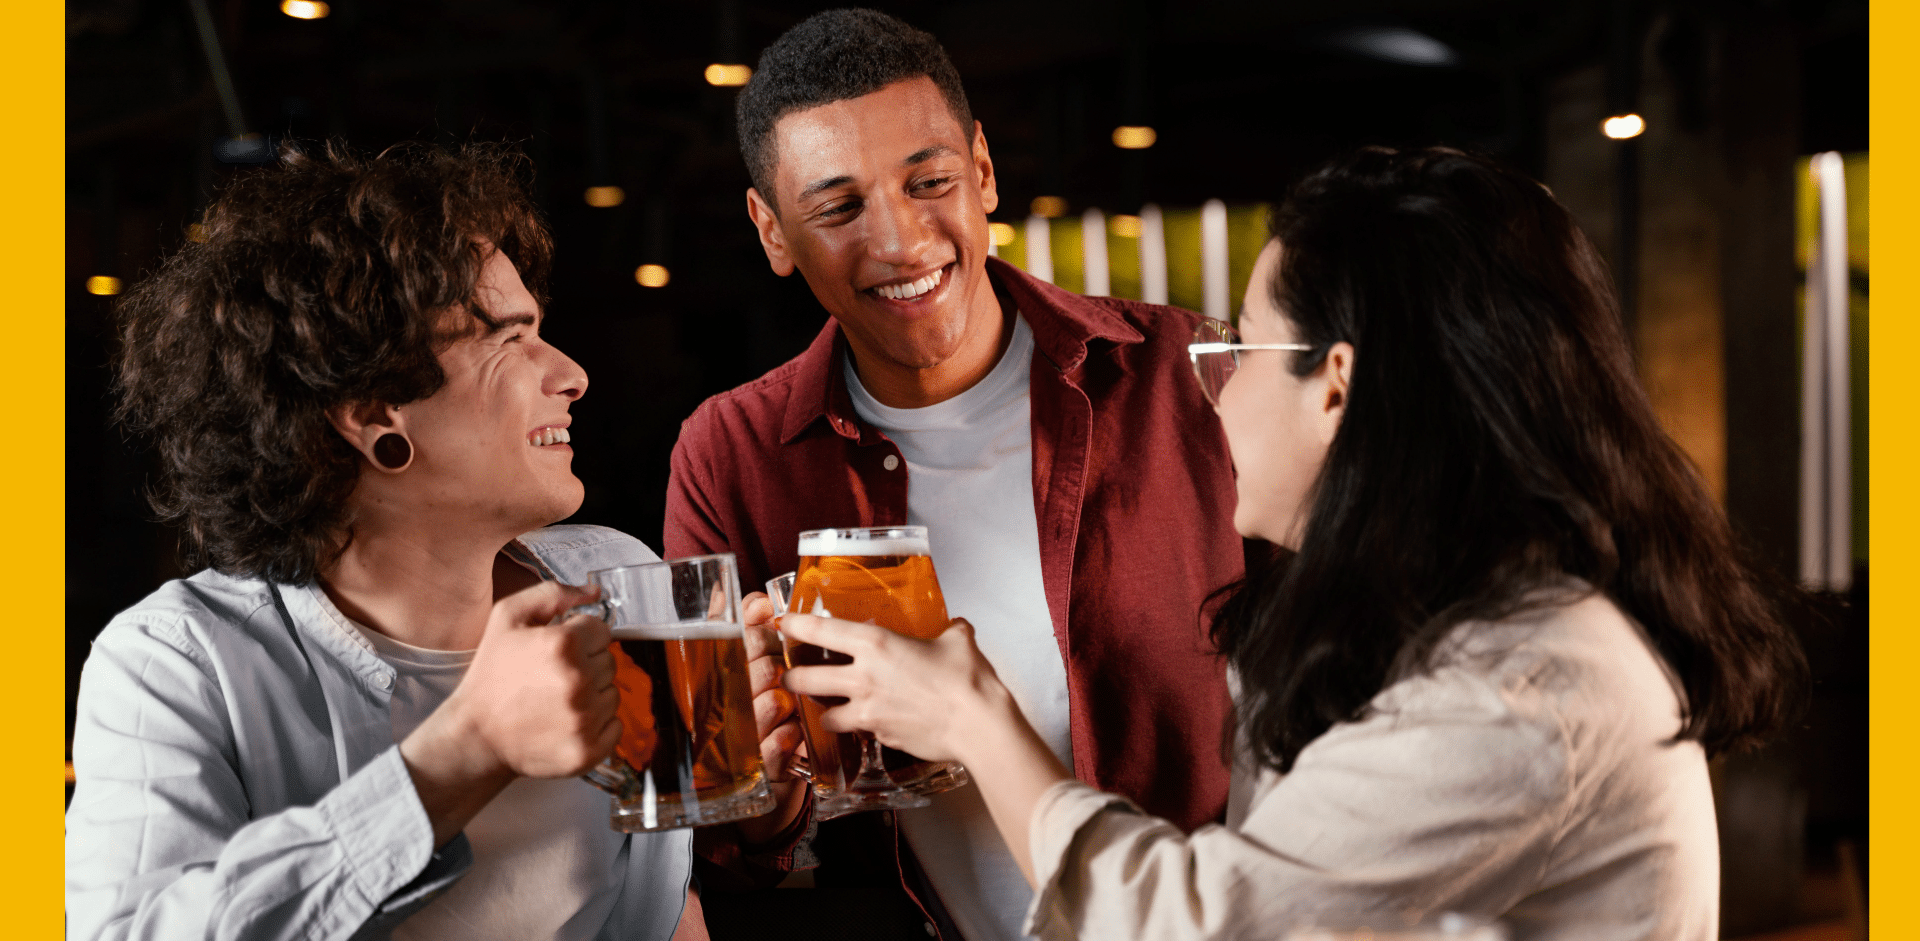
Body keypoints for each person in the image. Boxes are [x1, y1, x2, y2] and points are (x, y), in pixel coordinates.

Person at [776, 147, 1807, 940]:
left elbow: (1204, 920)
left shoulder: (1523, 682)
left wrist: (973, 715)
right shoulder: (1433, 621)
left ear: (1337, 384)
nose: (1211, 394)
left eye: (1236, 352)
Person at [663, 8, 1246, 940]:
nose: (898, 242)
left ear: (981, 170)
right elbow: (722, 837)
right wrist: (762, 798)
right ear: (772, 232)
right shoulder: (730, 455)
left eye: (929, 180)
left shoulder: (1186, 373)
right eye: (839, 207)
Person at [67, 143, 705, 941]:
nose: (571, 373)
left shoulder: (619, 576)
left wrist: (773, 799)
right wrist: (463, 751)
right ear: (374, 415)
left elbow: (663, 907)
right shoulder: (176, 662)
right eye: (508, 341)